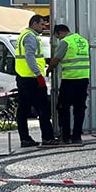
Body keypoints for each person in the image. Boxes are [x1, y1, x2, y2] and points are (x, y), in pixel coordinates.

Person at [14, 14, 59, 148]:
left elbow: (30, 56)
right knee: (43, 109)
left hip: (23, 77)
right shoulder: (30, 37)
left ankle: (25, 139)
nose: (43, 27)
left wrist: (45, 61)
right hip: (32, 79)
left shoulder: (24, 34)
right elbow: (29, 57)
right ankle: (47, 138)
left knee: (23, 110)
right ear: (34, 24)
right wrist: (39, 75)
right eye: (41, 24)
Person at [47, 24, 89, 144]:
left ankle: (65, 136)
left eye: (58, 37)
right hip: (84, 79)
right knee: (79, 109)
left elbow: (57, 59)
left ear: (60, 33)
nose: (59, 39)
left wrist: (48, 69)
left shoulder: (65, 42)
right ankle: (77, 136)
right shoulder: (83, 40)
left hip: (70, 80)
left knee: (63, 108)